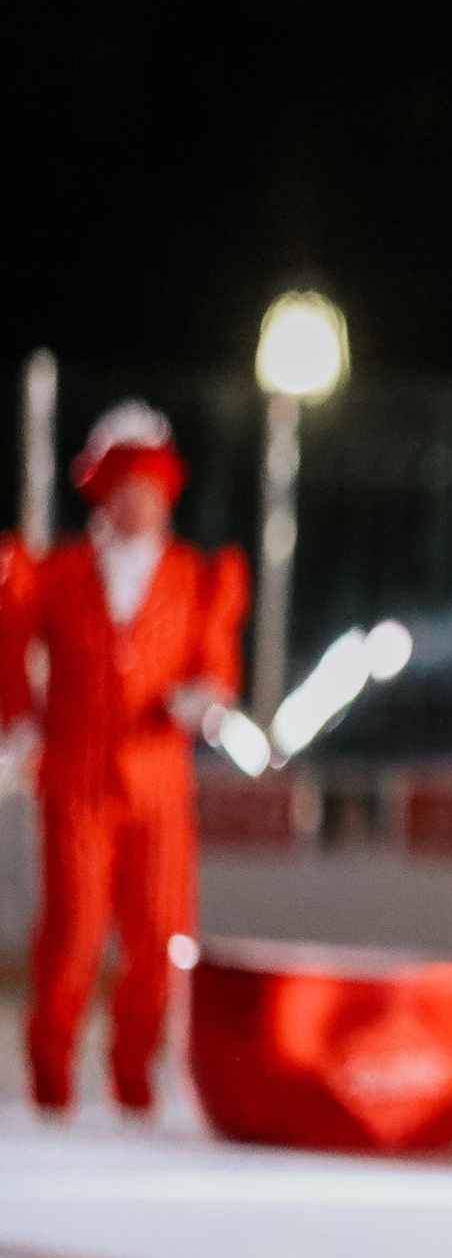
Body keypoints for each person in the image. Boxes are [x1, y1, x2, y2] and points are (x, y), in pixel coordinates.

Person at [0, 402, 248, 1118]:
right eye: (124, 481)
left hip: (157, 780)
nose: (138, 496)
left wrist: (207, 697)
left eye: (150, 481)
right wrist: (18, 723)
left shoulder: (196, 577)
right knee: (72, 932)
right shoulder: (60, 572)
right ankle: (51, 1075)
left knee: (159, 937)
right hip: (76, 773)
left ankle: (133, 1076)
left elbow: (215, 662)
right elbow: (11, 645)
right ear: (100, 488)